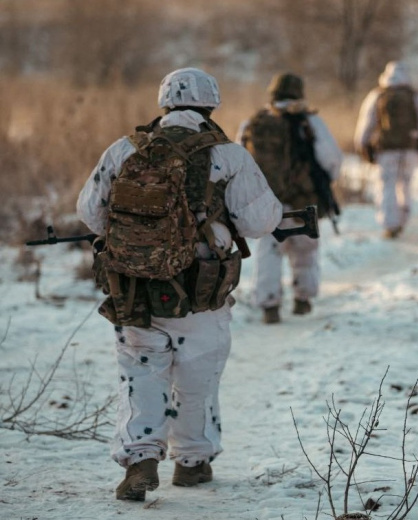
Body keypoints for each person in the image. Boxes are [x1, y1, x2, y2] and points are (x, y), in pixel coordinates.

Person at [76, 67, 283, 501]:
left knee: (140, 372)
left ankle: (140, 460)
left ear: (164, 102)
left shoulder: (124, 150)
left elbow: (91, 213)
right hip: (201, 290)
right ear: (211, 106)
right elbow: (261, 221)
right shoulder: (228, 155)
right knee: (197, 376)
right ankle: (192, 462)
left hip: (133, 288)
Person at [237, 73, 342, 324]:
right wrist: (323, 182)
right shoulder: (310, 122)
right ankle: (303, 300)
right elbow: (332, 158)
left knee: (268, 252)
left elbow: (238, 161)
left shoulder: (253, 122)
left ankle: (269, 306)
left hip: (265, 202)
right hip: (302, 201)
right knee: (305, 249)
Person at [354, 61, 418, 239]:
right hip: (409, 148)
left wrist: (362, 144)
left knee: (386, 184)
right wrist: (415, 132)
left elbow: (366, 122)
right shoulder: (414, 95)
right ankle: (404, 219)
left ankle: (390, 224)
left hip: (386, 149)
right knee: (405, 183)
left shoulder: (378, 95)